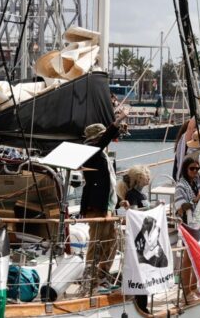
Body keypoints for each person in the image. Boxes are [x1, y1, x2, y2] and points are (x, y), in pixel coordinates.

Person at [80, 122, 121, 289]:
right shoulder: (91, 152)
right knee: (96, 242)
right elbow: (102, 142)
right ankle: (90, 280)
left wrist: (118, 199)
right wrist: (115, 125)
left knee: (111, 241)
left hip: (107, 206)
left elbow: (109, 182)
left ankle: (103, 276)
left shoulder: (102, 154)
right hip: (96, 206)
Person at [174, 156, 200, 299]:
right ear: (185, 169)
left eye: (197, 169)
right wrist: (196, 199)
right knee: (187, 258)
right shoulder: (181, 186)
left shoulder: (195, 183)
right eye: (192, 168)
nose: (195, 171)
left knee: (195, 256)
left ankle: (192, 287)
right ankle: (186, 291)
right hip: (187, 225)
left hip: (197, 224)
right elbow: (181, 207)